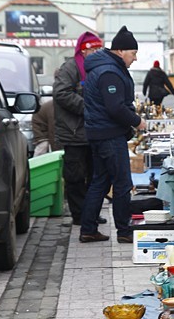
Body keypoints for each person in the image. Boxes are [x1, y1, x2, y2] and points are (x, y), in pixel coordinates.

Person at [79, 26, 147, 243]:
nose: (135, 59)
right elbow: (115, 107)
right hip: (109, 135)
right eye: (133, 53)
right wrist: (137, 122)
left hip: (99, 132)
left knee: (100, 181)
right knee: (122, 183)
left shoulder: (105, 67)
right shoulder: (109, 71)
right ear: (120, 51)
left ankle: (88, 229)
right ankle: (124, 231)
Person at [53, 31, 107, 225]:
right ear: (84, 51)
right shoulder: (70, 68)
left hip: (94, 132)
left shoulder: (98, 68)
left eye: (100, 48)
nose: (98, 52)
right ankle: (79, 215)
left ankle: (91, 213)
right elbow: (61, 93)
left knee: (95, 176)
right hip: (74, 132)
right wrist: (88, 108)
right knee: (75, 176)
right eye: (95, 49)